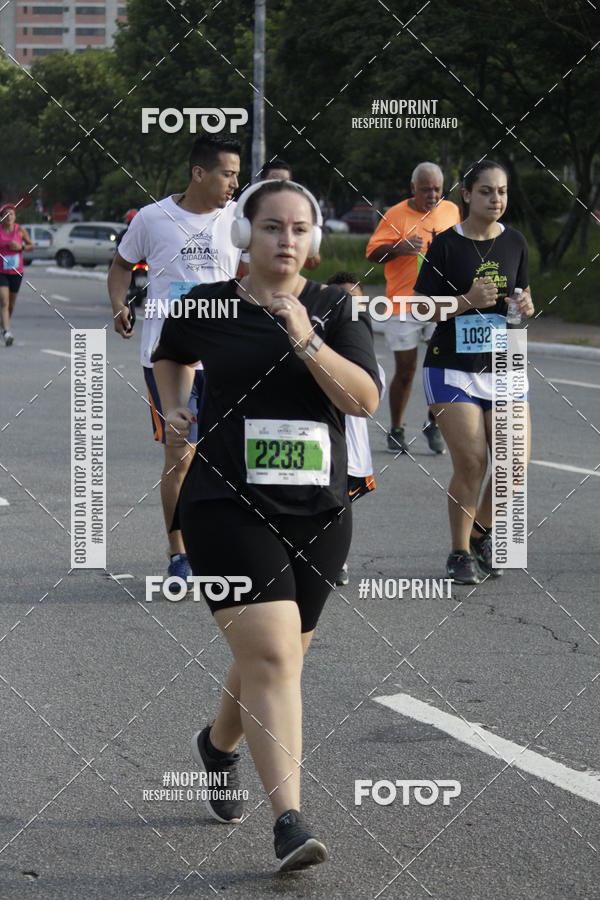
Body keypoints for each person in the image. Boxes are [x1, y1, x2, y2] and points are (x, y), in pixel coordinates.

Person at [152, 180, 381, 870]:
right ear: (244, 233)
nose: (287, 239)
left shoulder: (334, 306)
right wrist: (175, 407)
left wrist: (306, 338)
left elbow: (364, 400)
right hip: (225, 503)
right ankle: (289, 822)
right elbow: (171, 355)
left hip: (320, 510)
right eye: (273, 226)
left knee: (275, 656)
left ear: (314, 240)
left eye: (300, 228)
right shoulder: (206, 304)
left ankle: (217, 745)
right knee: (274, 657)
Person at [108, 135, 242, 584]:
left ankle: (227, 542)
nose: (234, 184)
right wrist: (119, 304)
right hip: (169, 358)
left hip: (225, 357)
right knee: (181, 455)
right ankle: (180, 554)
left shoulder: (239, 220)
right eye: (228, 174)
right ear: (199, 173)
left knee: (227, 457)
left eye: (238, 175)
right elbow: (121, 265)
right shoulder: (153, 218)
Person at [413, 159, 534, 584]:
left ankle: (481, 533)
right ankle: (459, 551)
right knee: (472, 462)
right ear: (466, 194)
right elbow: (421, 307)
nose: (495, 199)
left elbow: (523, 296)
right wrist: (465, 300)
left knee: (514, 464)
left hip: (504, 363)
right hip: (452, 367)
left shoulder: (515, 242)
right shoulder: (446, 245)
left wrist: (526, 305)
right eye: (486, 191)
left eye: (502, 191)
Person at [366, 162, 460, 454]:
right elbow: (372, 253)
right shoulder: (395, 215)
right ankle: (396, 429)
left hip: (439, 302)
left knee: (443, 367)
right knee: (406, 371)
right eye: (425, 189)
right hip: (403, 303)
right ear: (413, 189)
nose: (432, 195)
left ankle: (433, 423)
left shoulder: (451, 211)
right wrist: (399, 248)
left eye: (437, 190)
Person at [326, 271, 385, 586]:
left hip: (351, 454)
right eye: (338, 302)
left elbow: (368, 398)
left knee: (338, 506)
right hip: (318, 449)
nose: (346, 309)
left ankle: (335, 558)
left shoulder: (368, 361)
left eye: (353, 303)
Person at [0, 203, 34, 346]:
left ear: (15, 217)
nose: (9, 216)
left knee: (11, 305)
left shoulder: (20, 230)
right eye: (5, 214)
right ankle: (7, 332)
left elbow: (31, 246)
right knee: (4, 301)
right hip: (1, 271)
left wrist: (21, 247)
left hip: (16, 272)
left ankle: (4, 323)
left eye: (11, 214)